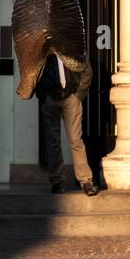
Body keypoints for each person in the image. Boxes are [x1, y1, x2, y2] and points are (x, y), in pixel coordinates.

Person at [36, 53, 99, 196]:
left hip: (71, 96)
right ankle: (56, 182)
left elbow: (86, 69)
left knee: (76, 140)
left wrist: (78, 95)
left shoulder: (71, 45)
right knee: (53, 141)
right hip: (50, 97)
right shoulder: (44, 48)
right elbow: (33, 72)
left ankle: (85, 180)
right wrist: (43, 95)